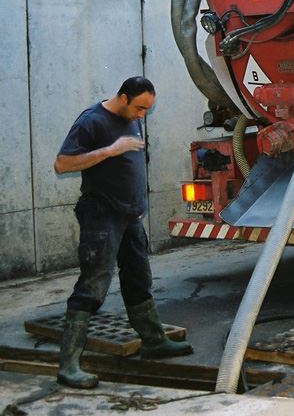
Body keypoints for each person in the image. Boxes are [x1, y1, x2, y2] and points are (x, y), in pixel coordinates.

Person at [53, 76, 192, 389]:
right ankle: (69, 365)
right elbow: (61, 164)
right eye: (140, 108)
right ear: (123, 97)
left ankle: (154, 342)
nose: (142, 115)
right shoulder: (93, 121)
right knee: (92, 287)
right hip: (102, 216)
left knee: (138, 280)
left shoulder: (132, 117)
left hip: (129, 216)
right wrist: (110, 150)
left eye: (147, 109)